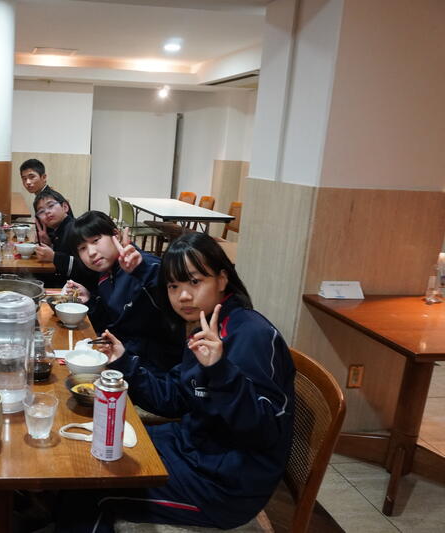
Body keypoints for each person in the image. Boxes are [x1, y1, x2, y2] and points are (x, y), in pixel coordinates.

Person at [58, 232, 296, 532]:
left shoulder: (251, 334)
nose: (183, 296)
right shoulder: (202, 326)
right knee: (88, 452)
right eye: (173, 286)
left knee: (90, 487)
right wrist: (124, 362)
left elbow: (264, 430)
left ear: (222, 280)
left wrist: (220, 371)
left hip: (224, 486)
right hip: (191, 447)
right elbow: (174, 399)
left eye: (195, 282)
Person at [64, 211, 174, 373]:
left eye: (96, 240)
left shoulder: (143, 265)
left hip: (152, 367)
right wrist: (90, 300)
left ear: (116, 235)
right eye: (82, 248)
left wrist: (142, 271)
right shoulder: (107, 272)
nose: (91, 252)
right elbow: (112, 318)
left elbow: (166, 291)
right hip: (123, 355)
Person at [32, 187, 96, 288]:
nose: (47, 212)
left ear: (65, 207)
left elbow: (87, 267)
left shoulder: (75, 229)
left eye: (51, 206)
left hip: (78, 289)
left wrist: (54, 257)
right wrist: (50, 244)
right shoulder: (59, 229)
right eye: (41, 211)